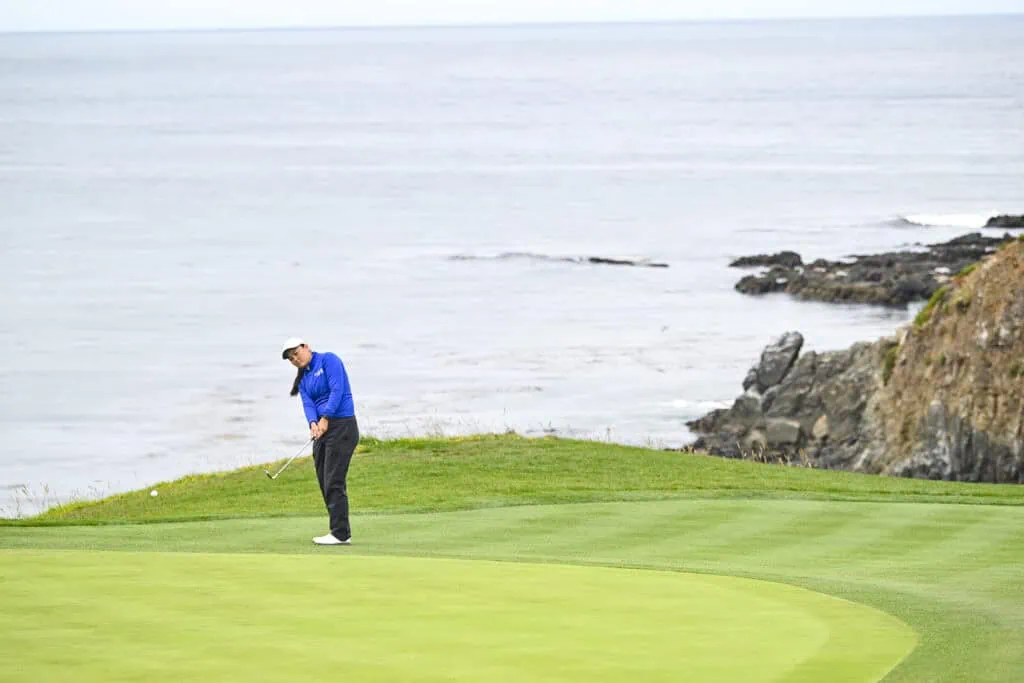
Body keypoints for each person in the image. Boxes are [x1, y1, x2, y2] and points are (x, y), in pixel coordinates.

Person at [281, 337, 359, 545]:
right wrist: (313, 423)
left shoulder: (328, 360)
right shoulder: (303, 379)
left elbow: (337, 390)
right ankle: (337, 529)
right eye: (290, 359)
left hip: (342, 425)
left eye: (296, 354)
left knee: (334, 480)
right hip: (323, 430)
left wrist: (325, 417)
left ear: (306, 347)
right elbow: (307, 403)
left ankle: (341, 534)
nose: (294, 360)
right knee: (324, 480)